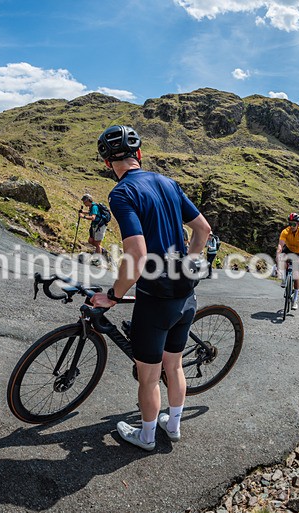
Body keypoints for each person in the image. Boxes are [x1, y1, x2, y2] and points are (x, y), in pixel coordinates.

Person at [90, 125, 211, 451]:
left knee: (148, 375)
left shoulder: (121, 193)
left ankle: (144, 436)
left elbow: (138, 256)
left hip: (155, 300)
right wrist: (189, 262)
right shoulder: (168, 183)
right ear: (139, 155)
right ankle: (172, 427)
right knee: (174, 366)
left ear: (107, 164)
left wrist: (113, 295)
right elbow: (203, 229)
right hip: (186, 295)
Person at [276, 212, 299, 311]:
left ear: (298, 224)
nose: (291, 226)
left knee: (296, 276)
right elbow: (281, 245)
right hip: (289, 250)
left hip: (298, 252)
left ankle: (295, 299)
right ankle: (284, 279)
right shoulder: (285, 232)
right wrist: (278, 252)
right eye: (290, 224)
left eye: (293, 224)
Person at [78, 193, 109, 264]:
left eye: (85, 201)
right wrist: (83, 212)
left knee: (97, 243)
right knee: (90, 241)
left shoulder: (94, 207)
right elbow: (91, 213)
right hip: (95, 226)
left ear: (89, 200)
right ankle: (100, 250)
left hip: (100, 226)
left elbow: (93, 217)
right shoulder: (92, 207)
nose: (84, 202)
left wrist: (83, 216)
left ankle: (98, 260)